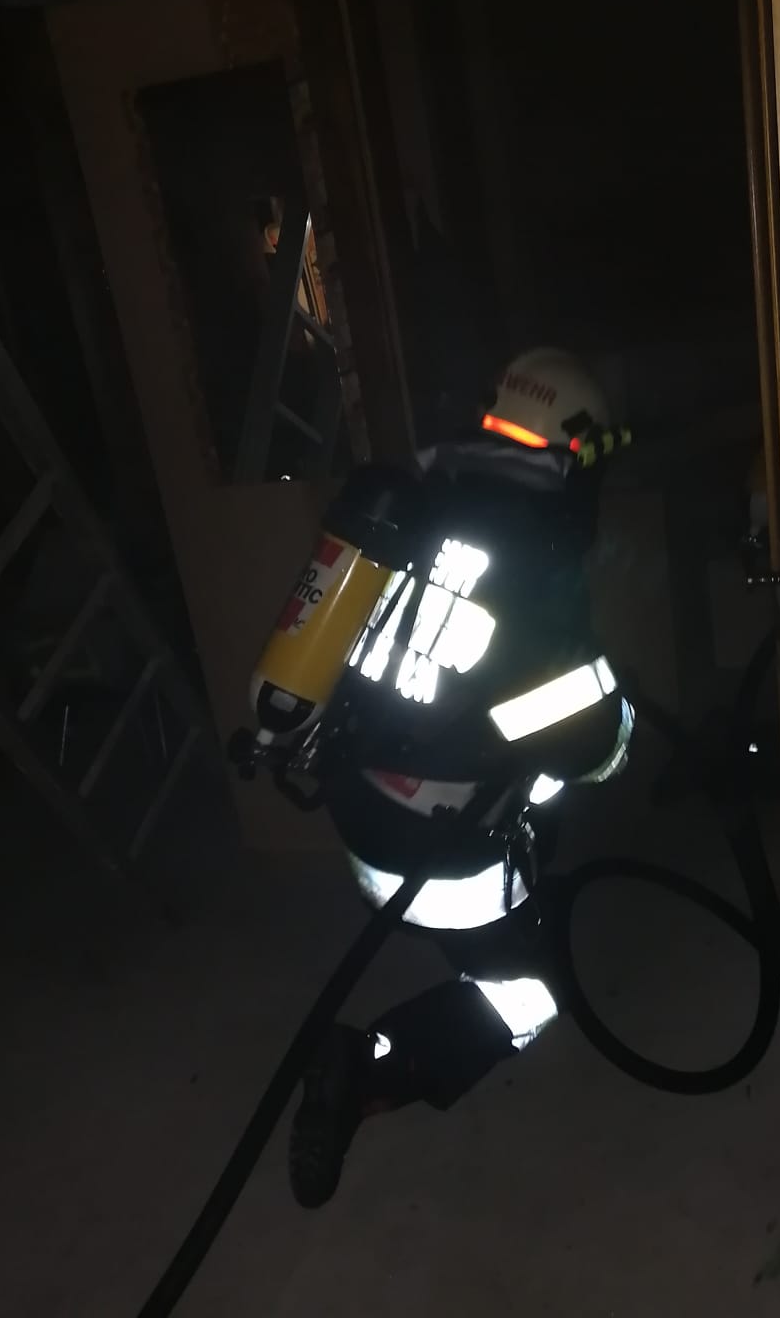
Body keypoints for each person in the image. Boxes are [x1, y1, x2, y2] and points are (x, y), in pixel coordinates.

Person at [288, 348, 634, 1207]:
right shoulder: (543, 553)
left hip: (355, 820)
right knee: (534, 996)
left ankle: (495, 918)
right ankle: (368, 1066)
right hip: (449, 863)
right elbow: (584, 746)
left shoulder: (416, 501)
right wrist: (613, 717)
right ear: (578, 452)